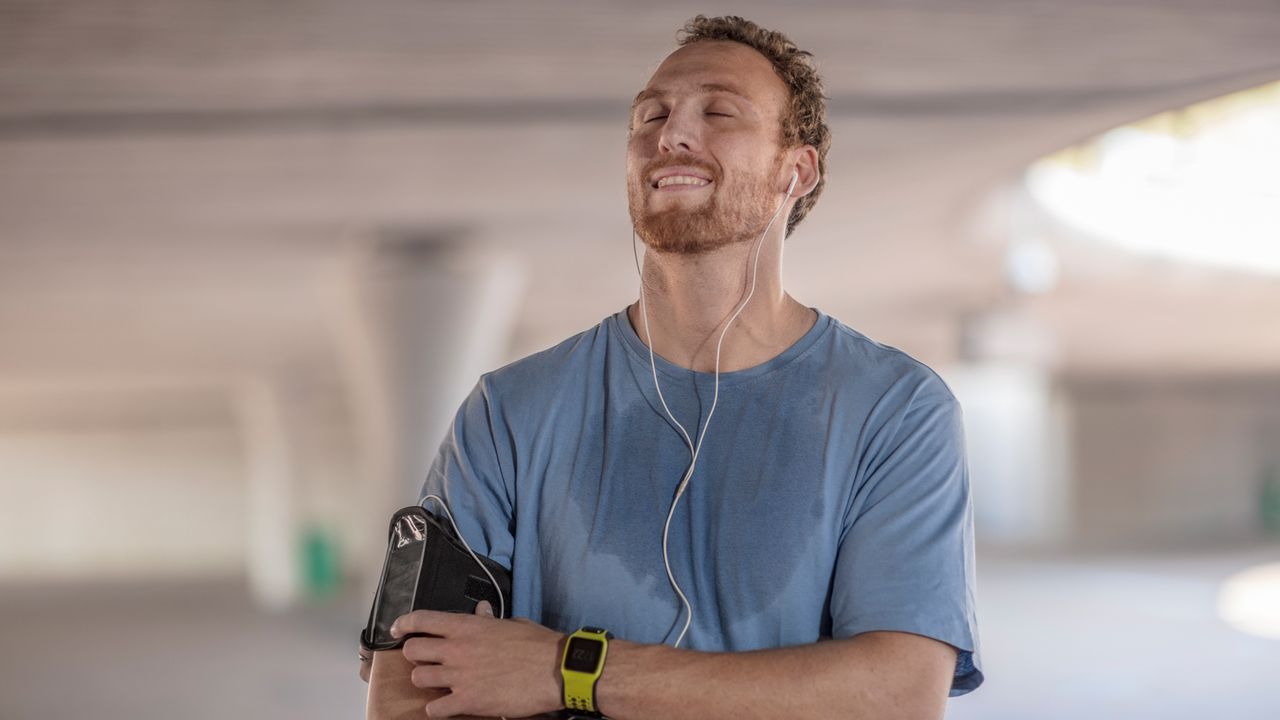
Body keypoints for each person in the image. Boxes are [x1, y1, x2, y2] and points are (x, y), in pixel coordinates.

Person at [360, 14, 983, 719]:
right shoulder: (507, 413)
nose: (671, 134)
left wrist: (568, 670)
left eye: (719, 112)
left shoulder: (895, 410)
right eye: (649, 116)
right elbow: (404, 693)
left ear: (796, 171)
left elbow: (897, 696)